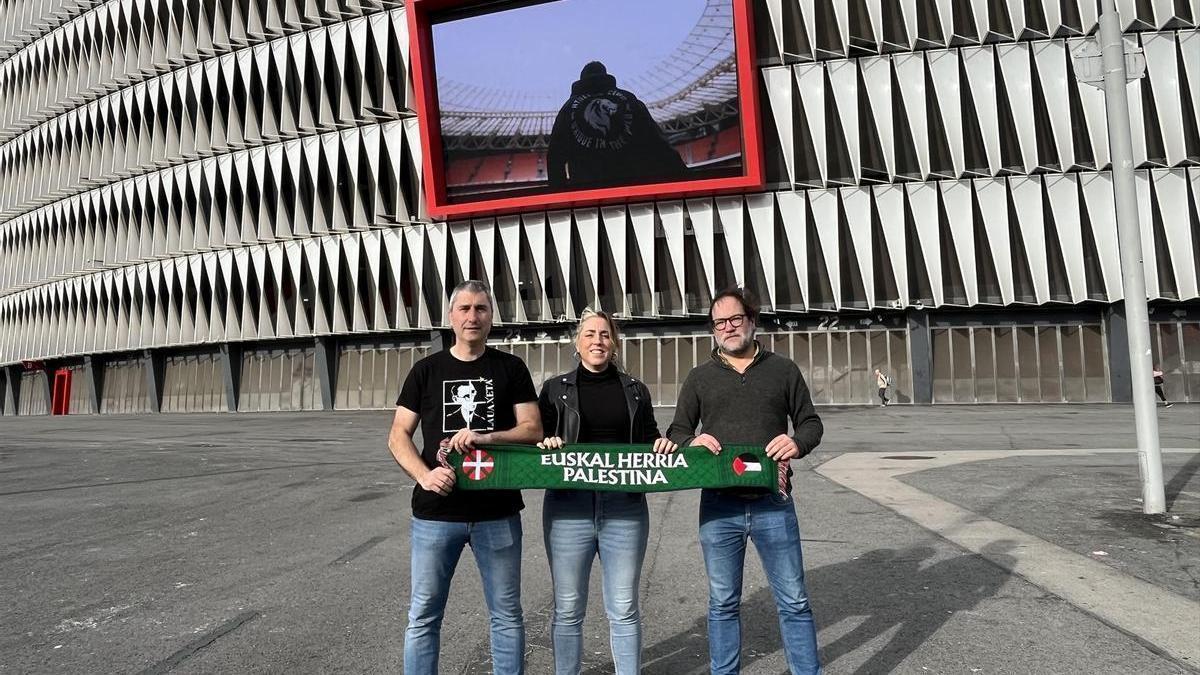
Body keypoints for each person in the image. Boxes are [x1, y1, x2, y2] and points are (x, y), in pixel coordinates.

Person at [387, 280, 543, 675]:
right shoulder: (426, 370)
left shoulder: (510, 368)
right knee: (424, 615)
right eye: (465, 309)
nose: (473, 317)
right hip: (436, 514)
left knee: (507, 615)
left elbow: (532, 429)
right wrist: (424, 476)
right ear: (451, 317)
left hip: (498, 511)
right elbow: (397, 436)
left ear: (491, 317)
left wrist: (487, 436)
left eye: (481, 309)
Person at [667, 287, 823, 675]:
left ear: (752, 321)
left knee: (794, 601)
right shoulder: (700, 377)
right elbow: (677, 430)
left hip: (774, 501)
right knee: (722, 603)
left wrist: (797, 441)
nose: (728, 327)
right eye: (720, 322)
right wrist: (692, 441)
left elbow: (810, 423)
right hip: (720, 506)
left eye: (735, 319)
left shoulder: (783, 370)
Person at [537, 309, 676, 675]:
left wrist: (661, 445)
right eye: (589, 334)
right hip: (568, 508)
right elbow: (535, 438)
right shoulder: (554, 389)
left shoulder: (635, 389)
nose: (597, 341)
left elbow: (649, 437)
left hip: (625, 508)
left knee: (625, 606)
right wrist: (546, 440)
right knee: (567, 608)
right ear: (577, 342)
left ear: (613, 343)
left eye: (604, 335)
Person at [547, 61, 688, 189]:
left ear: (581, 79)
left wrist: (559, 193)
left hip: (588, 197)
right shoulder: (629, 99)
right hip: (633, 190)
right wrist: (684, 177)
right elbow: (658, 142)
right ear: (605, 75)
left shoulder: (568, 107)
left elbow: (554, 156)